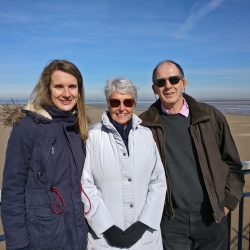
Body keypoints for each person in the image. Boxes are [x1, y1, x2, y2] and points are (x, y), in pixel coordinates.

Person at [139, 60, 245, 250]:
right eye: (161, 82)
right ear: (155, 89)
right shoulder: (145, 124)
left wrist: (228, 203)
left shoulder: (210, 117)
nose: (168, 86)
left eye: (173, 79)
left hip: (213, 217)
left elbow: (233, 164)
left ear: (184, 83)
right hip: (170, 221)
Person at [1, 60, 89, 250]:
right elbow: (12, 191)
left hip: (76, 233)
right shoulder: (28, 128)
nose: (66, 94)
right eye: (59, 86)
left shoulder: (77, 128)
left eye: (72, 86)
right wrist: (18, 245)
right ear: (47, 88)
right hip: (42, 237)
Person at [81, 77, 167, 249]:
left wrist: (143, 224)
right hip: (104, 240)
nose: (122, 108)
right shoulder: (92, 137)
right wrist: (107, 228)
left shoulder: (146, 135)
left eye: (127, 102)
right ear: (108, 103)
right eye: (115, 102)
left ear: (134, 104)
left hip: (146, 239)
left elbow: (158, 182)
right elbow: (85, 186)